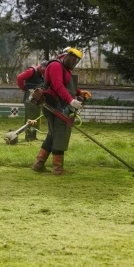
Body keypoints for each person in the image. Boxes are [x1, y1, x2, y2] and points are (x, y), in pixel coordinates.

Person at [32, 47, 92, 175]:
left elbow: (66, 86)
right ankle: (57, 169)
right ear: (65, 56)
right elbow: (58, 86)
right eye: (73, 59)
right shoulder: (55, 66)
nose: (74, 62)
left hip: (61, 104)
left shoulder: (65, 69)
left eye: (76, 60)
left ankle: (38, 164)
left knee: (53, 135)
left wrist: (79, 92)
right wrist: (71, 101)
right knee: (60, 134)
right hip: (55, 105)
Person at [16, 61, 48, 141]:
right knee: (30, 115)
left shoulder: (42, 74)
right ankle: (28, 136)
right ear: (41, 67)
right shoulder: (31, 71)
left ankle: (33, 135)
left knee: (36, 116)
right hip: (30, 96)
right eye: (44, 71)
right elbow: (19, 77)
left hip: (38, 97)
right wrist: (23, 88)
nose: (44, 73)